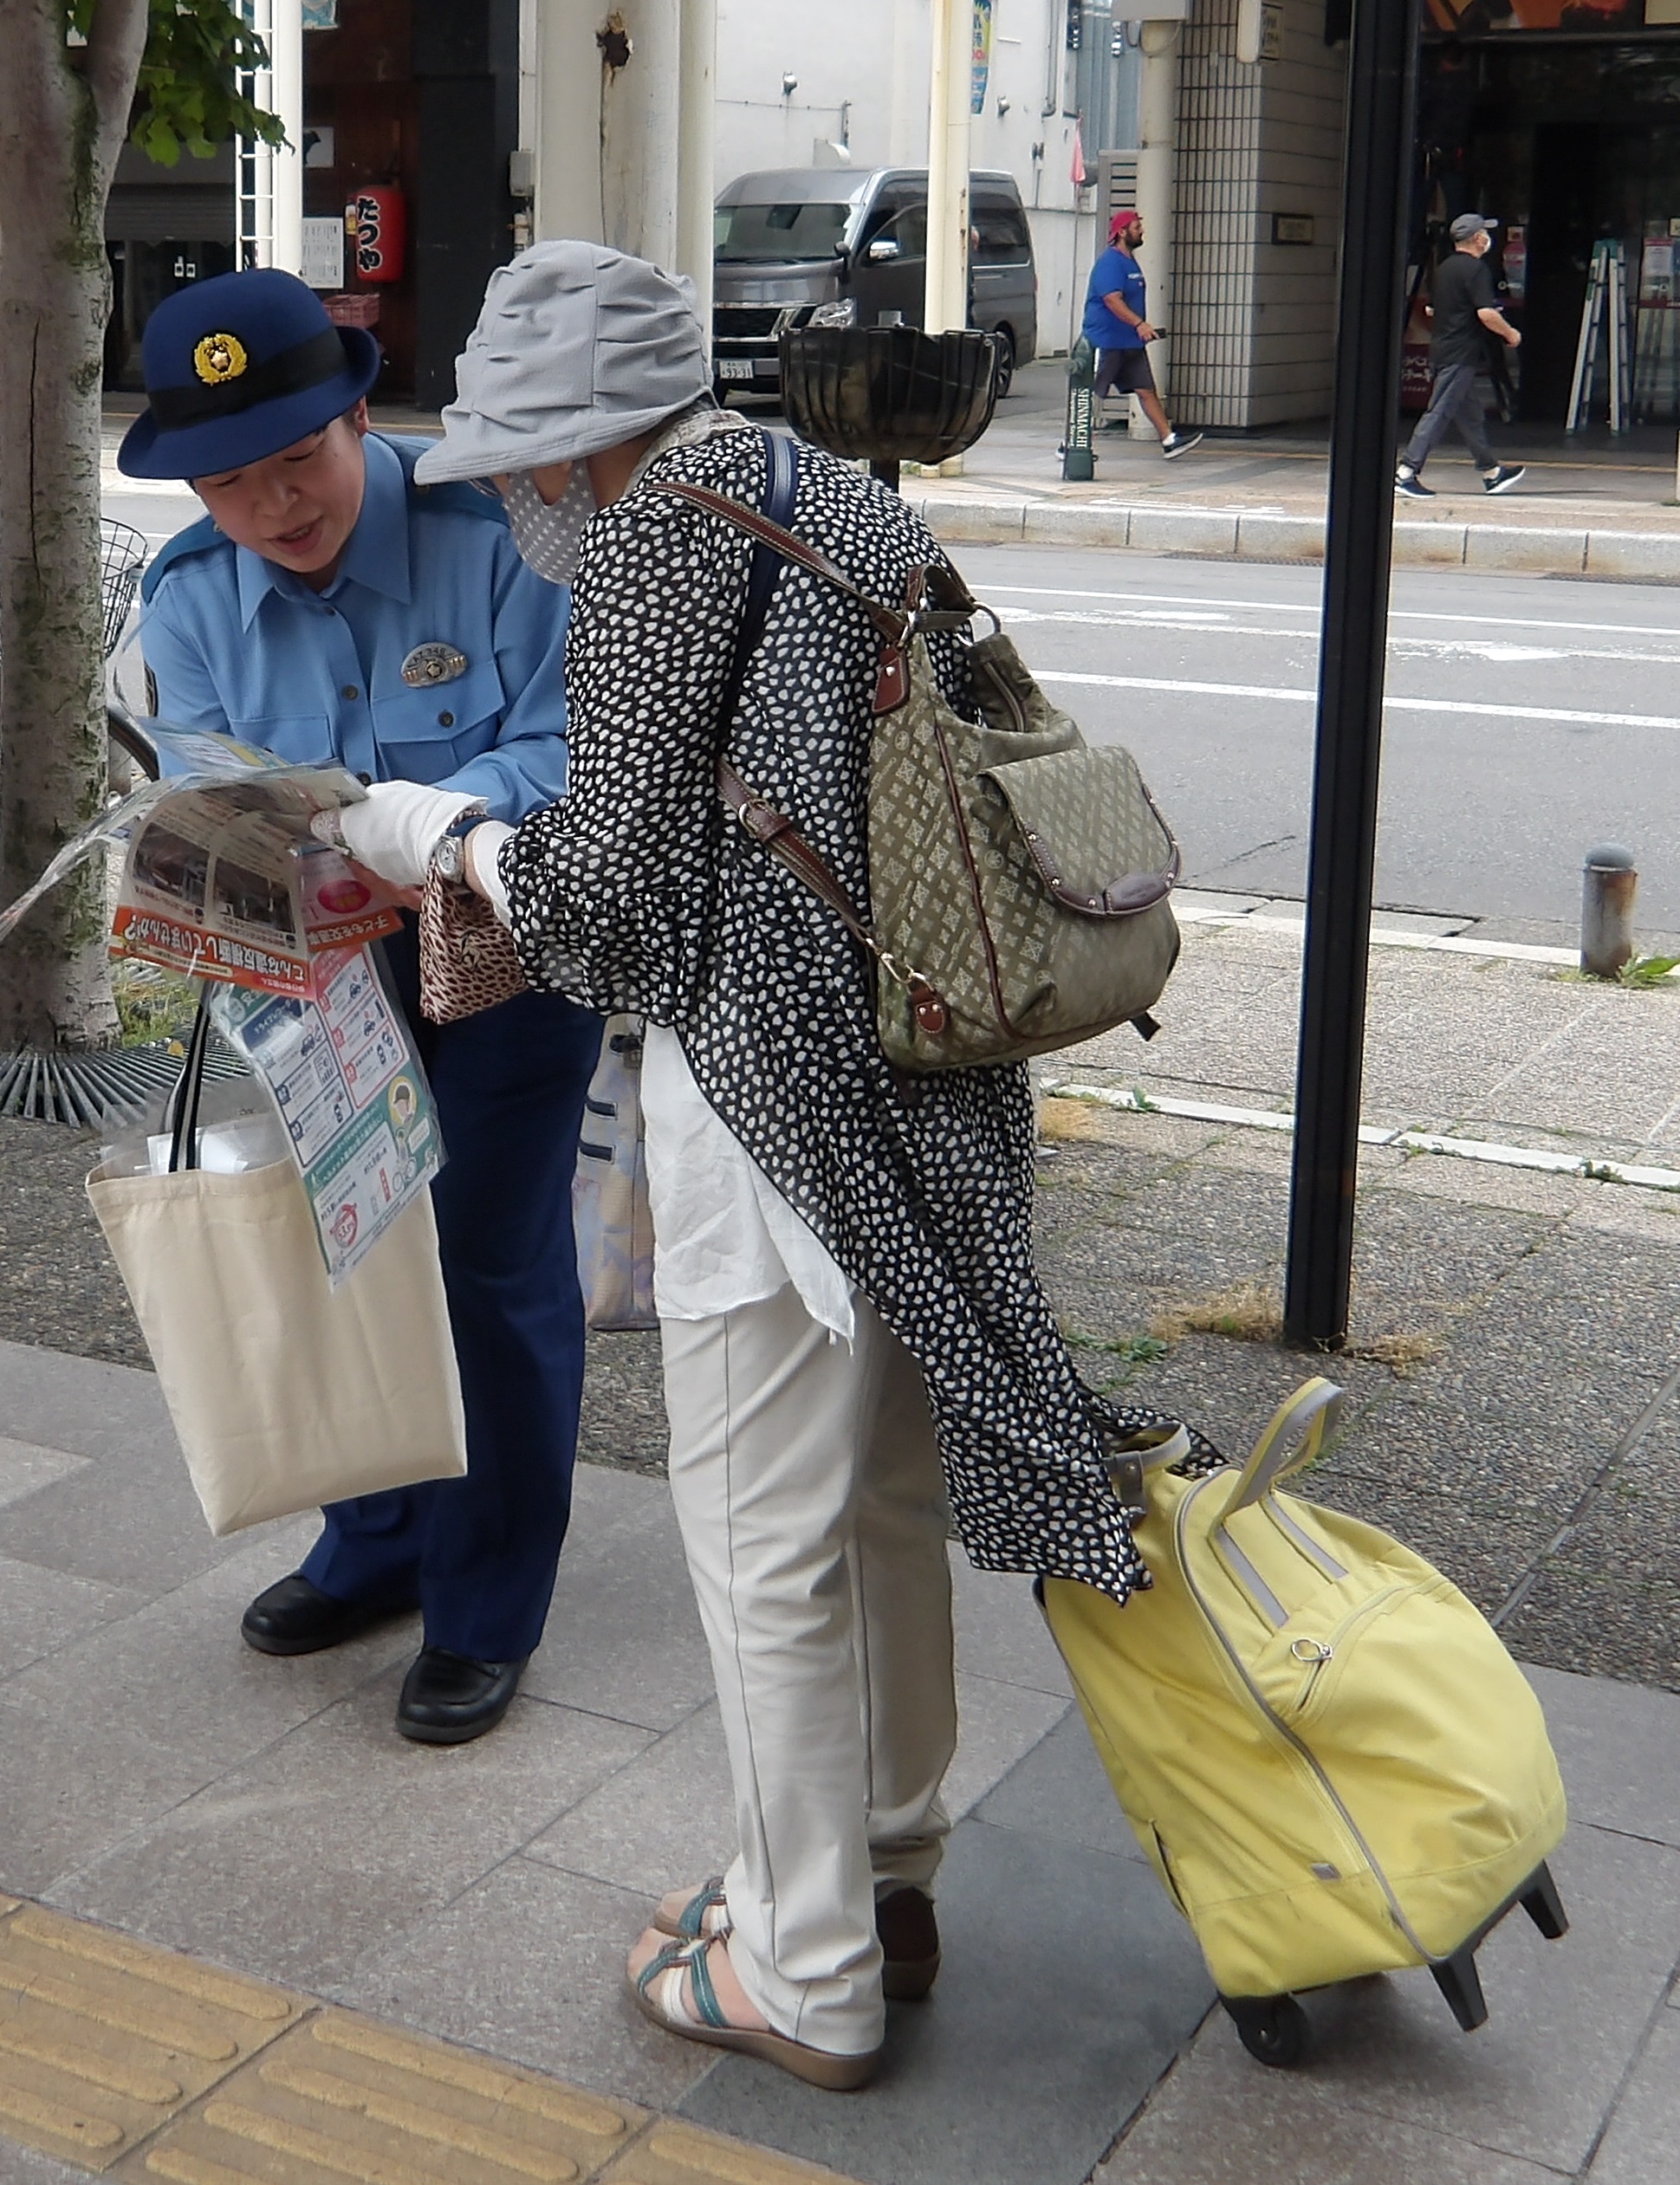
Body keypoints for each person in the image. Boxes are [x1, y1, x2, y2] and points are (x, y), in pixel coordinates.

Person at [328, 239, 1186, 2090]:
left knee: (760, 1547)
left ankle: (804, 1970)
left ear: (571, 448)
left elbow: (603, 903)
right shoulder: (827, 493)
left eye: (521, 467)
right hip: (929, 1077)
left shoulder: (651, 540)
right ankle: (886, 1876)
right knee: (878, 1501)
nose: (518, 506)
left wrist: (437, 831)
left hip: (776, 1111)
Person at [127, 267, 603, 1747]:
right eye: (230, 479)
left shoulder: (500, 538)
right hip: (329, 967)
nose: (275, 504)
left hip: (511, 943)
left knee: (484, 1259)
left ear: (358, 413)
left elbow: (562, 742)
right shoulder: (189, 598)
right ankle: (376, 1540)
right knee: (355, 1239)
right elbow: (205, 782)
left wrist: (419, 831)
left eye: (298, 457)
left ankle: (484, 1599)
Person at [1398, 213, 1528, 497]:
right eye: (1484, 233)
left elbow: (1432, 309)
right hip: (1461, 352)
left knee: (1470, 415)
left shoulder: (1444, 268)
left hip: (1443, 348)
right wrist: (1510, 333)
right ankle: (1407, 471)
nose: (1487, 238)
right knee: (1439, 411)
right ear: (1478, 238)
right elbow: (1485, 313)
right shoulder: (1476, 270)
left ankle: (1491, 472)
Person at [1082, 208, 1199, 458]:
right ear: (1122, 232)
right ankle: (1072, 443)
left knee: (1146, 389)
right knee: (1092, 393)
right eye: (1136, 227)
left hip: (1129, 342)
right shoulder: (1110, 262)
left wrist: (1138, 329)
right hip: (1108, 341)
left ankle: (1169, 440)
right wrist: (1140, 324)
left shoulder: (1129, 261)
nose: (1141, 231)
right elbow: (1112, 300)